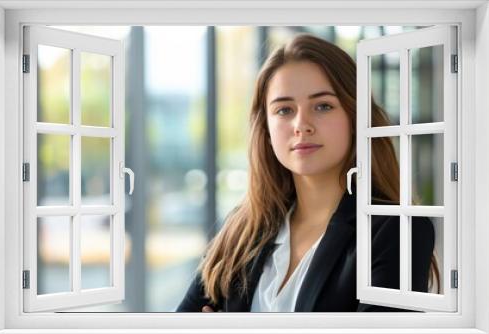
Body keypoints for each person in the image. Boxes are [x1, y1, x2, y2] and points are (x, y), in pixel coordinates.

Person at [177, 33, 438, 312]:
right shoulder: (242, 229)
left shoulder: (395, 230)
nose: (301, 124)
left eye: (323, 106)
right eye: (284, 110)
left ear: (356, 117)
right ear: (265, 129)